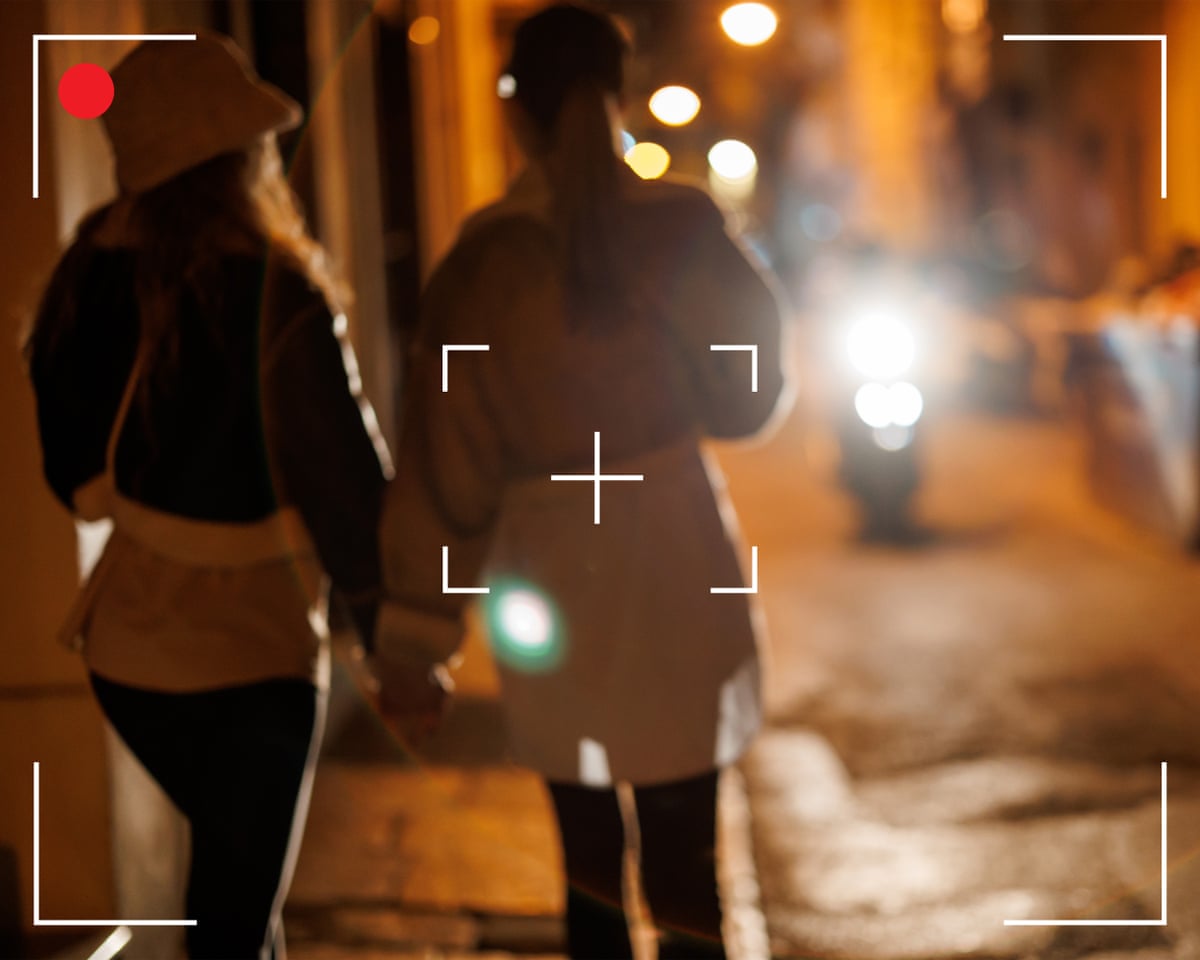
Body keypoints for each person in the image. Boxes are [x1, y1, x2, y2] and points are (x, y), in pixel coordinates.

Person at [373, 4, 791, 957]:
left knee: (588, 873)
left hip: (552, 574)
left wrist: (417, 642)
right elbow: (749, 397)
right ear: (623, 93)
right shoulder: (684, 228)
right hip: (677, 552)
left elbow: (447, 470)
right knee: (691, 869)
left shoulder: (478, 265)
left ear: (513, 106)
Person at [24, 33, 389, 960]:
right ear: (240, 155)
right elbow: (344, 487)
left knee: (228, 902)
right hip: (256, 648)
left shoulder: (82, 275)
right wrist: (397, 639)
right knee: (236, 909)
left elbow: (77, 488)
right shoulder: (274, 289)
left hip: (132, 650)